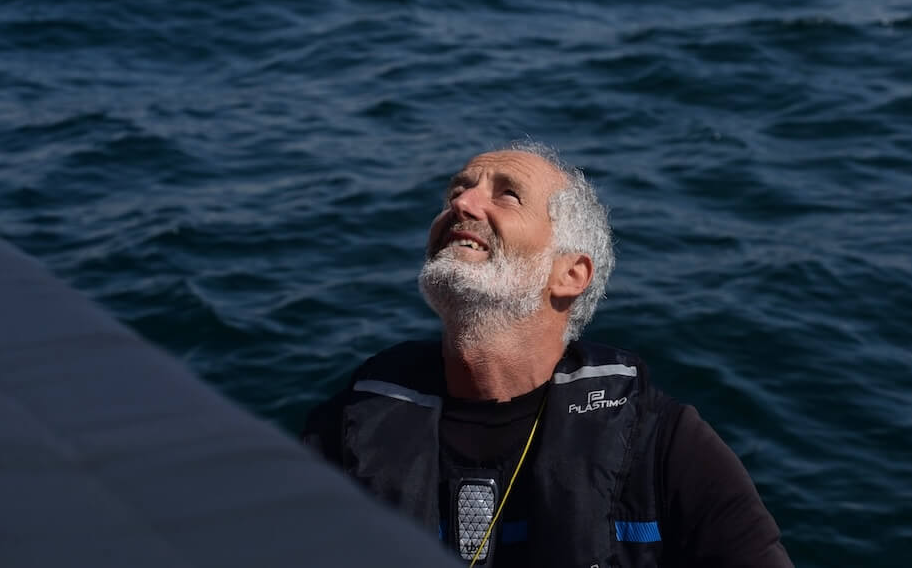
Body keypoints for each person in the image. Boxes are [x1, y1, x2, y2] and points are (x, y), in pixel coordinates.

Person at [303, 141, 793, 568]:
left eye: (507, 195)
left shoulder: (665, 448)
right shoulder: (346, 431)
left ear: (570, 275)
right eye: (457, 191)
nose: (462, 203)